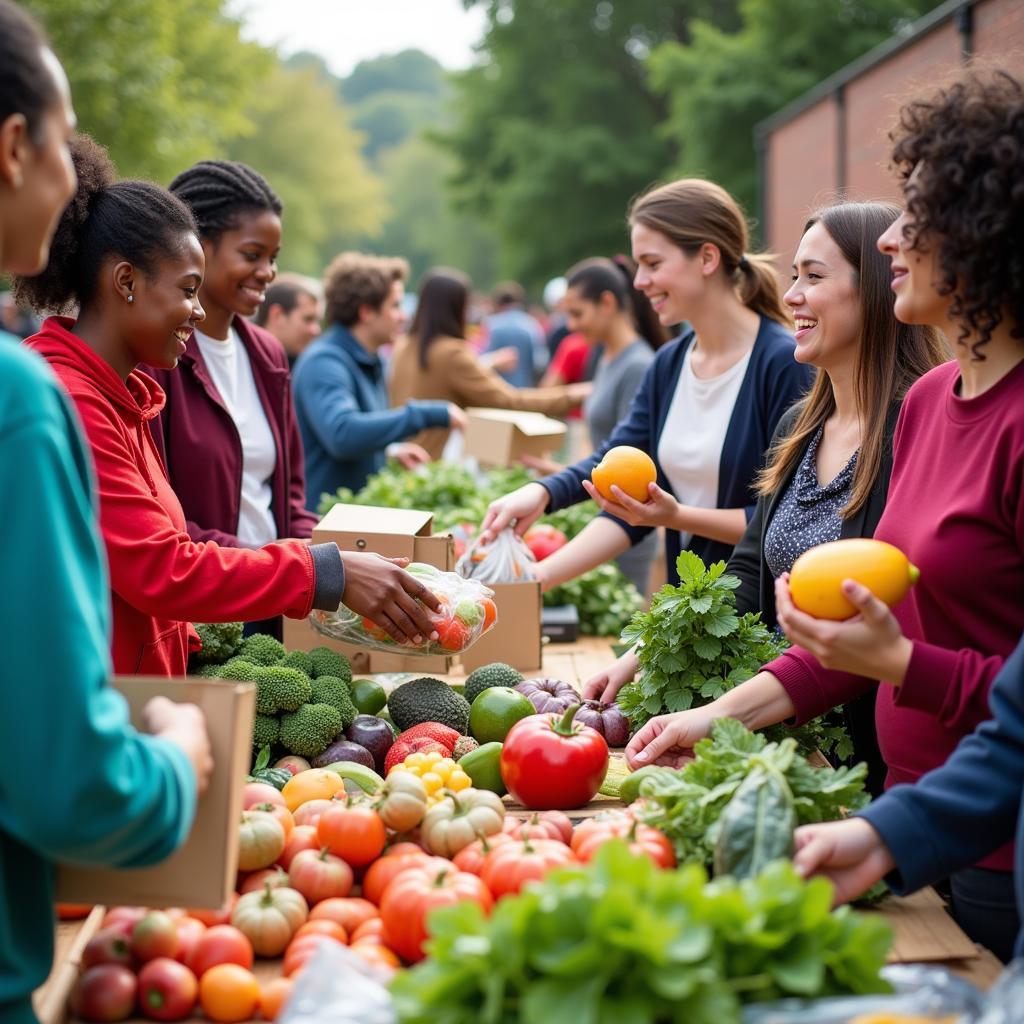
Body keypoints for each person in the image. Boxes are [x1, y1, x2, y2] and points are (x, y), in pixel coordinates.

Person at [627, 69, 1024, 959]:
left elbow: (917, 662)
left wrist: (906, 668)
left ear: (989, 234)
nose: (892, 234)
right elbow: (854, 643)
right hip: (908, 820)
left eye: (918, 211)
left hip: (996, 846)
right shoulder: (928, 404)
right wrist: (710, 718)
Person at [15, 136, 444, 678]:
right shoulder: (74, 400)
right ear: (126, 282)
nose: (195, 311)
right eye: (187, 289)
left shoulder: (124, 395)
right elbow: (161, 567)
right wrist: (321, 571)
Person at [0, 6, 210, 1021]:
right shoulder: (25, 401)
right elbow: (67, 783)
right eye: (63, 136)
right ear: (12, 148)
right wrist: (178, 754)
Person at [590, 203, 948, 796]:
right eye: (794, 277)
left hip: (871, 769)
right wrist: (647, 653)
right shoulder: (797, 428)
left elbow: (876, 623)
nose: (792, 297)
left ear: (878, 289)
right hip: (787, 741)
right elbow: (749, 572)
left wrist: (726, 713)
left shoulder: (913, 428)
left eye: (815, 277)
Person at [481, 178, 812, 594]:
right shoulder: (669, 364)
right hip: (689, 619)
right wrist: (541, 502)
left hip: (759, 629)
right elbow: (616, 472)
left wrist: (674, 517)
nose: (638, 282)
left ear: (707, 257)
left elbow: (788, 523)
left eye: (652, 264)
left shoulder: (784, 363)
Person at [793, 631, 1024, 959]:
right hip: (945, 819)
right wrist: (883, 835)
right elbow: (1015, 738)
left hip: (997, 849)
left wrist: (900, 661)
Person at [141, 162, 318, 576]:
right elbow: (159, 517)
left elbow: (289, 499)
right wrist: (270, 563)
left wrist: (324, 556)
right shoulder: (156, 359)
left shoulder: (269, 355)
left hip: (280, 596)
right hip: (209, 603)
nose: (267, 272)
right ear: (198, 246)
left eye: (273, 258)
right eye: (252, 255)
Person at [523, 255, 670, 594]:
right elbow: (610, 452)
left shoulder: (637, 366)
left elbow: (634, 464)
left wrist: (562, 478)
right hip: (604, 513)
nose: (571, 326)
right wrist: (562, 474)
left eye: (577, 313)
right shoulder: (604, 357)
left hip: (623, 527)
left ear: (607, 303)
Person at [292, 252, 465, 504]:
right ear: (366, 312)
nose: (404, 315)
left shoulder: (369, 359)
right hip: (321, 526)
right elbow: (342, 434)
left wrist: (389, 450)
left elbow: (356, 431)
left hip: (351, 518)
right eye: (395, 305)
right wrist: (427, 414)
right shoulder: (325, 361)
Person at [388, 267, 591, 460]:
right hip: (436, 466)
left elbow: (437, 386)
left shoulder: (404, 346)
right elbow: (510, 401)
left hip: (404, 459)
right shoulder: (451, 352)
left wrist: (489, 363)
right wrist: (574, 395)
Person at [483, 280, 549, 387]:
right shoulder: (532, 324)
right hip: (524, 390)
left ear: (499, 304)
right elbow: (540, 361)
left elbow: (483, 357)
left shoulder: (491, 324)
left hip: (496, 390)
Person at [255, 272, 323, 368]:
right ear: (277, 315)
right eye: (308, 319)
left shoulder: (303, 364)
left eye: (317, 321)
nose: (316, 330)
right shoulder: (243, 360)